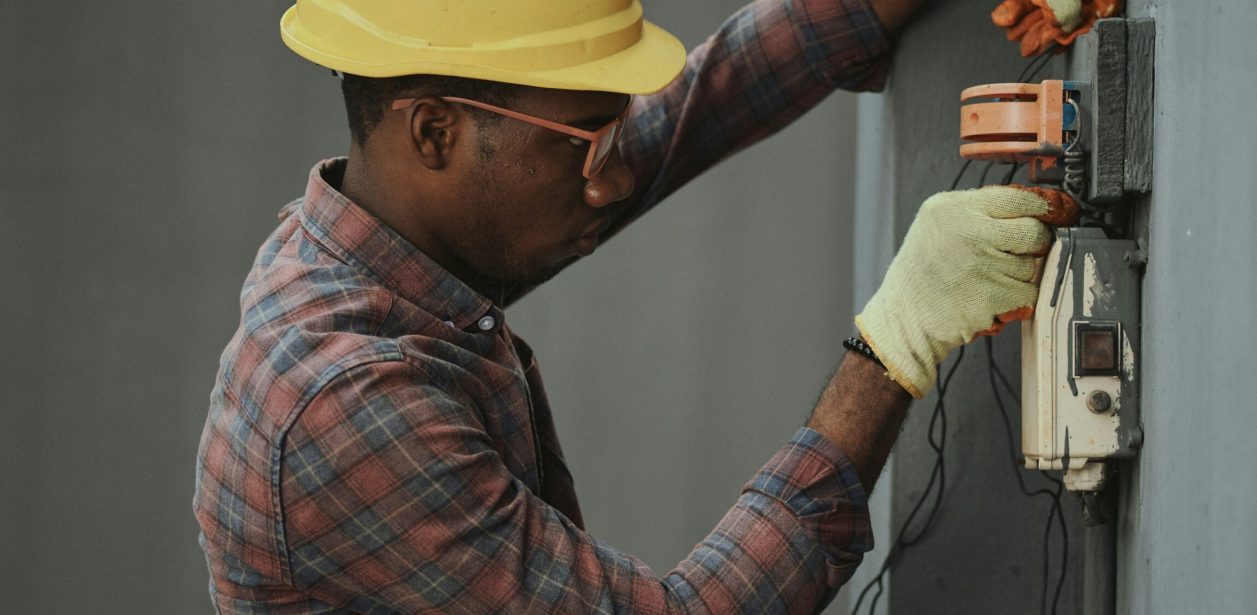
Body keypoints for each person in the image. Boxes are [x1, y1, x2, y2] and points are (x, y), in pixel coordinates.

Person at [193, 0, 1070, 611]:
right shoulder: (345, 407)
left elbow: (697, 105)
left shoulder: (367, 245)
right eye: (588, 142)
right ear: (434, 133)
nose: (611, 176)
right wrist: (893, 347)